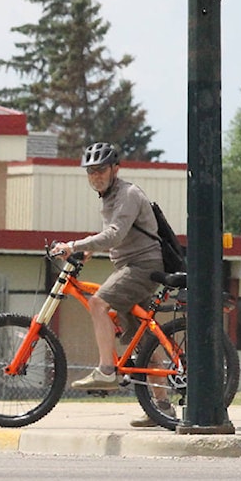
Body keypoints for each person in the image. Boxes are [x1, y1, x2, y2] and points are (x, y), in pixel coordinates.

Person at [50, 141, 175, 429]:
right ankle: (162, 408)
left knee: (98, 303)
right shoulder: (108, 197)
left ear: (115, 168)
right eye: (91, 171)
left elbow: (116, 234)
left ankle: (107, 369)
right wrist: (87, 250)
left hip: (142, 267)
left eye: (101, 170)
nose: (96, 176)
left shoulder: (128, 193)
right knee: (145, 345)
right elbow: (113, 234)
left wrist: (75, 245)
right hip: (131, 267)